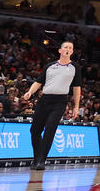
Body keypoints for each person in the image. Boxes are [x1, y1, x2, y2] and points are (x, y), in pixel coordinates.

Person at [22, 41, 81, 170]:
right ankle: (36, 158)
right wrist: (30, 92)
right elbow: (38, 82)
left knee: (50, 129)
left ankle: (41, 161)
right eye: (65, 47)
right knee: (34, 131)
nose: (68, 49)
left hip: (59, 102)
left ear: (72, 52)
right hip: (44, 100)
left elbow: (77, 89)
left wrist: (76, 107)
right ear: (60, 50)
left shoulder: (75, 67)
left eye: (70, 48)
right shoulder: (49, 66)